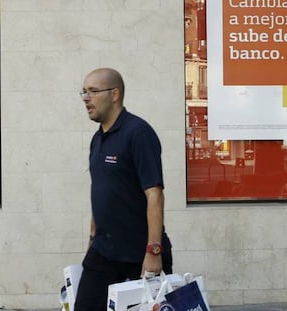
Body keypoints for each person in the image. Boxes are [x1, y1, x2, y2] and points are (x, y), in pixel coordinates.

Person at [74, 68, 172, 311]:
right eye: (84, 92)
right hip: (104, 252)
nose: (86, 98)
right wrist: (92, 240)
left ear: (114, 94)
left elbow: (155, 194)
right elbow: (101, 193)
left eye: (93, 91)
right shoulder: (98, 139)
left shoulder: (138, 133)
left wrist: (153, 250)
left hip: (138, 253)